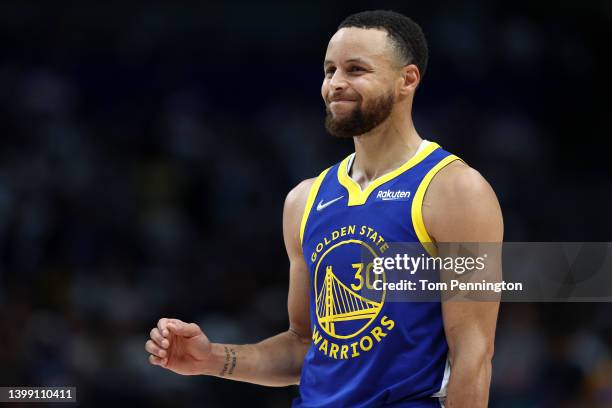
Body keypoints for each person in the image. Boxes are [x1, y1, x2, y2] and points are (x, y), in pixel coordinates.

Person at [145, 10, 503, 408]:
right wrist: (212, 359)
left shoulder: (455, 191)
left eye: (355, 69)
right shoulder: (304, 200)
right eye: (329, 70)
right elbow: (303, 346)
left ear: (408, 79)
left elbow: (473, 356)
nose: (336, 84)